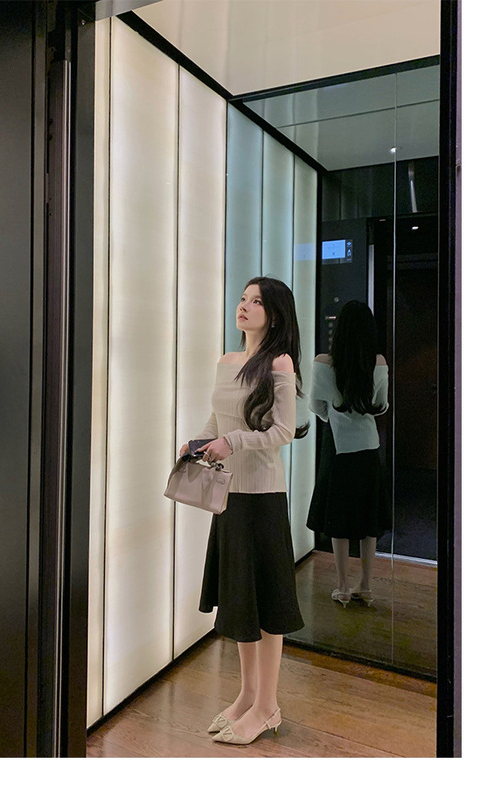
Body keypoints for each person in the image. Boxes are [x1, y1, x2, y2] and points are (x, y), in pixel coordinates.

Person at [179, 276, 306, 746]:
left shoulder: (279, 363)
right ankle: (248, 696)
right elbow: (219, 418)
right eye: (243, 298)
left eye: (256, 301)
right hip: (229, 496)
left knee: (267, 604)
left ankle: (267, 706)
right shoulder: (227, 361)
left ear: (274, 314)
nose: (245, 306)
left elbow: (283, 431)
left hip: (263, 498)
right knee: (241, 601)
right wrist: (198, 443)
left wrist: (231, 441)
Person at [306, 300, 391, 609]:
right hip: (368, 447)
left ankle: (342, 586)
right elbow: (380, 406)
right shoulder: (378, 362)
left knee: (338, 518)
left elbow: (316, 407)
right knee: (369, 518)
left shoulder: (323, 362)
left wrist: (335, 417)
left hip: (337, 447)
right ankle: (365, 585)